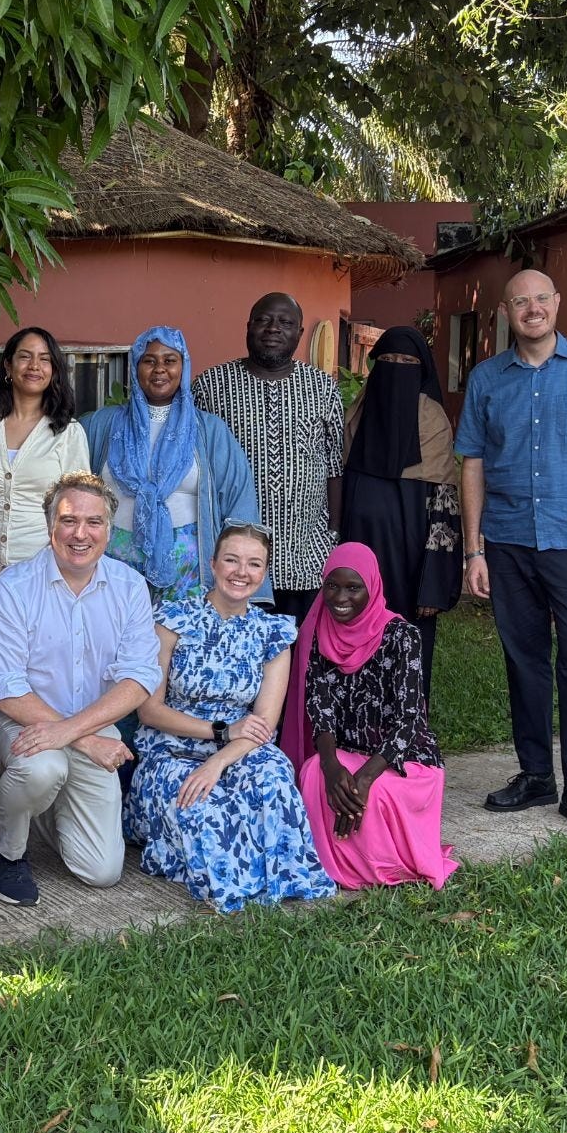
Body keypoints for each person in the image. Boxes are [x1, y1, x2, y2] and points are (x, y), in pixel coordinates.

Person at [456, 268, 567, 833]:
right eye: (520, 301)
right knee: (524, 661)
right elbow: (472, 464)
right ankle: (536, 775)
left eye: (541, 298)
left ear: (558, 304)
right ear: (506, 312)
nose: (532, 308)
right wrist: (473, 551)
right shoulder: (487, 379)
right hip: (508, 542)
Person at [126, 523, 335, 912]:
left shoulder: (273, 633)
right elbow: (149, 710)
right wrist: (219, 731)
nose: (242, 572)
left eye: (254, 564)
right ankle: (234, 881)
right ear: (213, 564)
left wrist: (218, 760)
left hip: (242, 746)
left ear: (265, 572)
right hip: (173, 748)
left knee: (275, 783)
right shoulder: (172, 620)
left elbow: (263, 724)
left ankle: (280, 878)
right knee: (203, 807)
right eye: (232, 560)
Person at [0, 473, 161, 903]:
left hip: (85, 723)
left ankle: (34, 809)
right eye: (69, 520)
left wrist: (70, 732)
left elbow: (139, 678)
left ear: (108, 530)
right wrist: (85, 740)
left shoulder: (130, 587)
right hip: (10, 718)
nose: (81, 534)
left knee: (101, 871)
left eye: (94, 522)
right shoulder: (13, 587)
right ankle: (10, 848)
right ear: (49, 526)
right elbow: (5, 687)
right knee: (43, 767)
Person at [284, 543, 456, 892]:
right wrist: (332, 766)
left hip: (404, 759)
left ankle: (380, 867)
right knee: (314, 772)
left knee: (375, 792)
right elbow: (320, 708)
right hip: (348, 752)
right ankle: (336, 865)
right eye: (332, 586)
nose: (340, 597)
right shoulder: (318, 632)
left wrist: (364, 777)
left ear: (373, 587)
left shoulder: (402, 635)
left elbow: (409, 720)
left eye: (353, 587)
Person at [192, 292, 347, 621]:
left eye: (285, 322)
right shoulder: (210, 386)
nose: (273, 328)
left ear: (300, 333)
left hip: (305, 553)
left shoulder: (323, 388)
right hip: (235, 557)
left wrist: (333, 531)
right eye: (263, 320)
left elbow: (335, 464)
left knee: (301, 644)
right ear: (248, 327)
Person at [81, 326, 262, 604]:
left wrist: (240, 565)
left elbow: (240, 500)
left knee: (176, 632)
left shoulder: (208, 431)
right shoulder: (101, 425)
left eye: (169, 360)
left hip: (188, 568)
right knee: (114, 629)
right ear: (135, 367)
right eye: (149, 360)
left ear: (183, 366)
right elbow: (72, 488)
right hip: (113, 563)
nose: (159, 369)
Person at [338, 325, 463, 693]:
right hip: (359, 563)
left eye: (407, 363)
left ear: (421, 372)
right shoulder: (358, 419)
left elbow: (444, 515)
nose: (396, 369)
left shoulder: (433, 424)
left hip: (411, 570)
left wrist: (433, 587)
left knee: (408, 657)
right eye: (388, 360)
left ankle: (407, 723)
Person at [0, 326, 90, 594]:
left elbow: (78, 509)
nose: (34, 366)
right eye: (25, 356)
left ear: (54, 370)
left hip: (44, 574)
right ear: (8, 365)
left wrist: (39, 571)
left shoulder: (67, 432)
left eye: (45, 359)